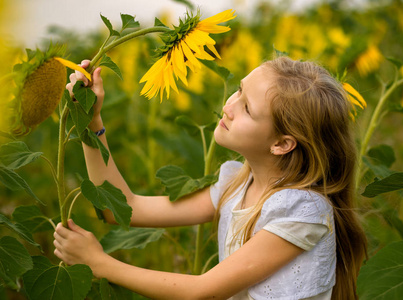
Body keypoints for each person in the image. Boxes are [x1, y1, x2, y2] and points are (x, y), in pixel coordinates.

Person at [54, 56, 367, 300]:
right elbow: (123, 209)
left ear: (282, 144)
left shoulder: (302, 211)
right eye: (238, 91)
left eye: (247, 109)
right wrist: (91, 121)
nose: (228, 106)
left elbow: (203, 291)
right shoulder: (236, 184)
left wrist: (101, 264)